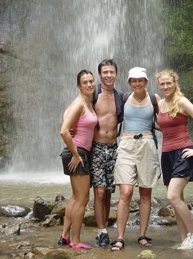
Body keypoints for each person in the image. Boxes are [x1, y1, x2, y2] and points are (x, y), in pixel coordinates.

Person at [156, 69, 193, 250]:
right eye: (162, 84)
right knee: (177, 198)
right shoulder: (161, 103)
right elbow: (164, 127)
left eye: (168, 83)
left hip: (183, 152)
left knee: (172, 196)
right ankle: (184, 240)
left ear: (175, 83)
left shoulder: (182, 101)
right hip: (166, 155)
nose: (165, 86)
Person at [110, 67, 161, 251]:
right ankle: (120, 237)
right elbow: (108, 118)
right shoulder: (123, 98)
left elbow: (165, 120)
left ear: (146, 82)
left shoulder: (155, 99)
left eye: (140, 80)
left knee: (146, 194)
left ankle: (142, 235)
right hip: (126, 144)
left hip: (147, 143)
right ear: (129, 82)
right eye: (134, 80)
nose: (137, 83)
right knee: (125, 192)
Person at [58, 69, 97, 250]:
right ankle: (76, 240)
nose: (89, 85)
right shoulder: (80, 103)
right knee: (83, 199)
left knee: (75, 197)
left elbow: (65, 116)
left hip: (80, 151)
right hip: (77, 152)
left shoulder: (85, 103)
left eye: (91, 81)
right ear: (78, 85)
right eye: (85, 82)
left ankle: (65, 236)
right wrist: (75, 154)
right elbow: (63, 130)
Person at [90, 59, 124, 247]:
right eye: (105, 72)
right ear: (100, 74)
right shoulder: (93, 94)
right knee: (100, 191)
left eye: (111, 72)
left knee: (109, 192)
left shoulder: (121, 96)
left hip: (114, 148)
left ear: (116, 74)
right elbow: (76, 111)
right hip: (97, 148)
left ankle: (105, 227)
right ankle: (101, 231)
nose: (108, 75)